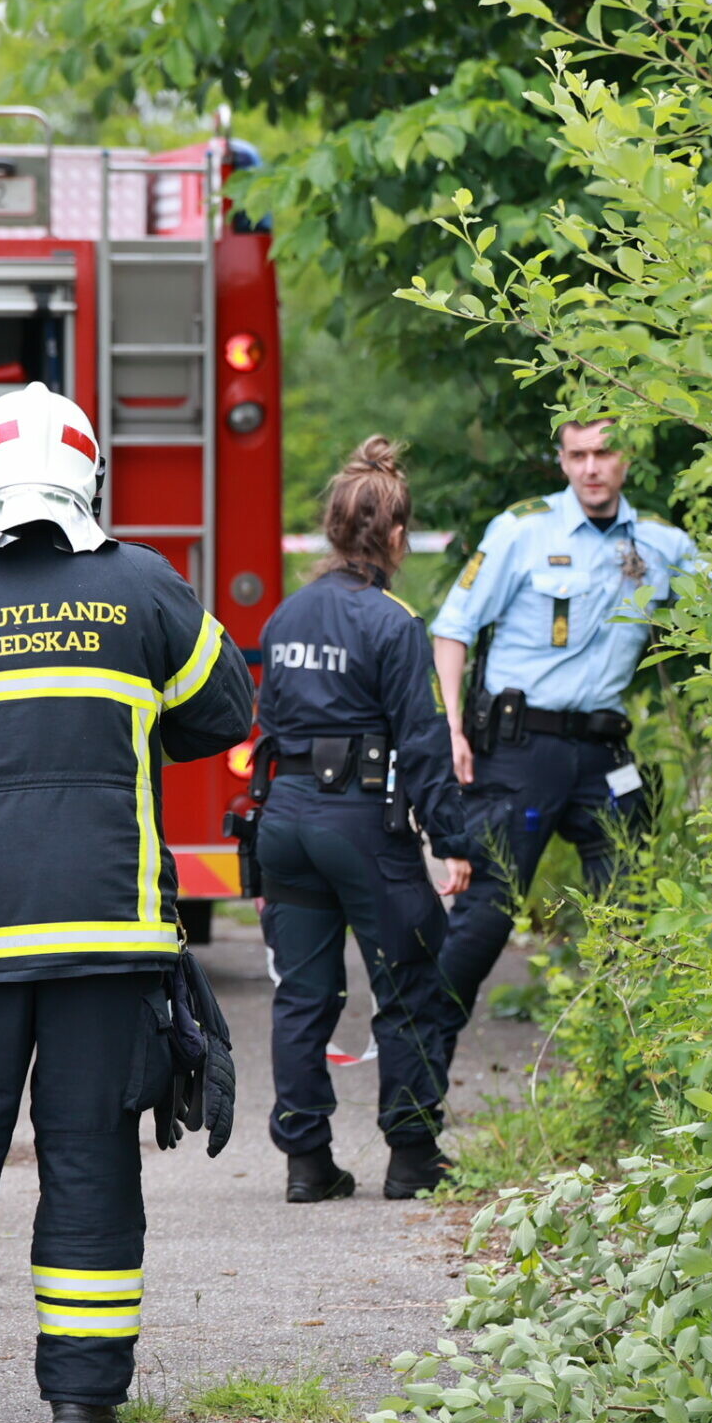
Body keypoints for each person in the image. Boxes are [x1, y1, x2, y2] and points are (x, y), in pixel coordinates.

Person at [0, 382, 254, 1423]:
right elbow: (227, 710)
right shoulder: (145, 589)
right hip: (107, 932)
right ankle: (82, 1401)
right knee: (90, 1157)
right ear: (90, 478)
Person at [427, 418, 699, 1066]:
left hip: (604, 752)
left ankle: (625, 1075)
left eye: (604, 452)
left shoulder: (662, 544)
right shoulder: (523, 530)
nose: (591, 468)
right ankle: (418, 1063)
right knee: (487, 913)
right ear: (562, 460)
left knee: (627, 912)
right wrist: (452, 728)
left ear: (626, 458)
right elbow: (453, 628)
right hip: (522, 749)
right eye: (577, 454)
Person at [250, 437, 471, 1204]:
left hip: (287, 818)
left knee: (302, 993)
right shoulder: (393, 623)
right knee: (408, 982)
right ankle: (411, 1156)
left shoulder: (285, 617)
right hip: (360, 824)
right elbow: (424, 743)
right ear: (397, 537)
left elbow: (269, 728)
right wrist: (452, 841)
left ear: (332, 530)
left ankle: (306, 1161)